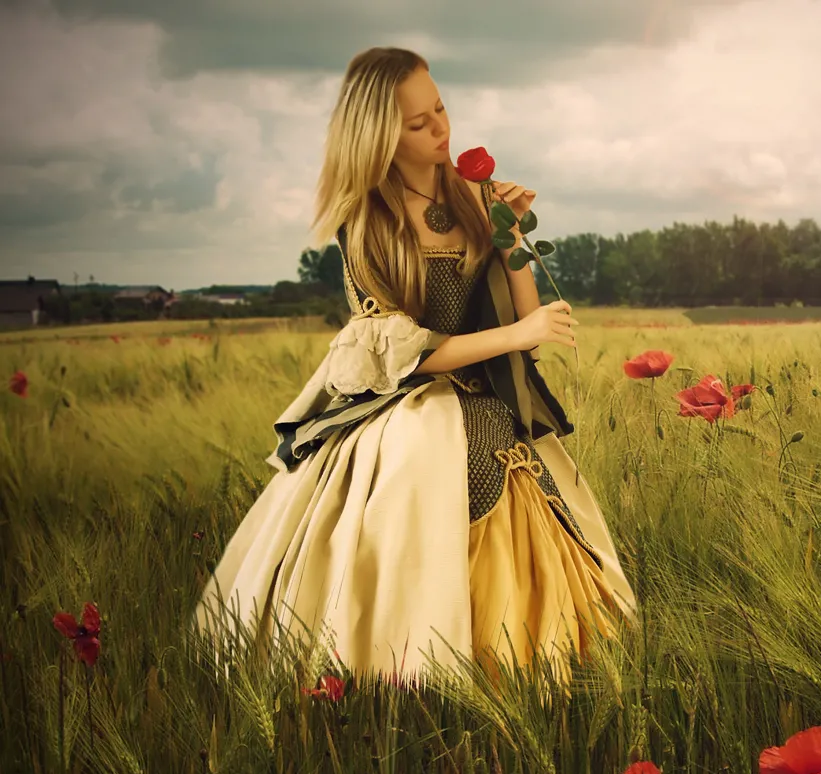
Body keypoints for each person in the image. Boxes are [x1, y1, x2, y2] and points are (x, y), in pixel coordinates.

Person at [194, 46, 637, 689]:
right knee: (413, 474)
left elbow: (525, 314)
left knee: (511, 458)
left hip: (486, 389)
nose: (441, 129)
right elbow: (412, 355)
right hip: (406, 401)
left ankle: (523, 667)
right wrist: (520, 331)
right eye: (418, 123)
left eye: (441, 109)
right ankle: (406, 667)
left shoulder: (471, 197)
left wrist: (509, 234)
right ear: (378, 134)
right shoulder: (366, 221)